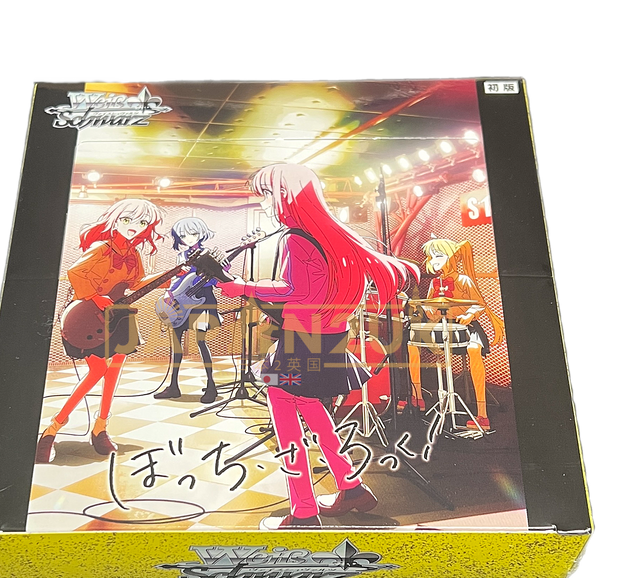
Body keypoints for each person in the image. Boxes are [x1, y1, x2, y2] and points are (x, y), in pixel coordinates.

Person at [216, 163, 418, 529]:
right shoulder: (331, 236)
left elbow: (297, 291)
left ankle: (304, 512)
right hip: (326, 336)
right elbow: (313, 293)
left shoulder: (297, 238)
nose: (264, 203)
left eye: (267, 195)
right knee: (313, 410)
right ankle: (351, 488)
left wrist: (242, 287)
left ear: (287, 196)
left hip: (301, 341)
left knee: (286, 424)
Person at [36, 199, 167, 463]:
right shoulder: (102, 248)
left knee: (114, 371)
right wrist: (95, 297)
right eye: (127, 220)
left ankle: (101, 427)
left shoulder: (133, 253)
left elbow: (136, 283)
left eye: (142, 222)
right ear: (116, 220)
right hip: (88, 316)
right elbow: (75, 272)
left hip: (119, 315)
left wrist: (170, 275)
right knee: (98, 370)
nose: (135, 226)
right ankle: (53, 428)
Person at [401, 236, 505, 430]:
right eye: (432, 257)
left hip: (466, 327)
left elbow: (479, 305)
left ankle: (482, 414)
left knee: (474, 349)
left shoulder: (464, 280)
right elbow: (430, 306)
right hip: (442, 326)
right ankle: (417, 397)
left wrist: (469, 314)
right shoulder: (434, 283)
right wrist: (429, 311)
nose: (434, 261)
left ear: (452, 257)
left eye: (438, 256)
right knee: (412, 344)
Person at [154, 217, 223, 404]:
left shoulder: (210, 254)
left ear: (201, 233)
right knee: (176, 344)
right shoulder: (182, 256)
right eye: (183, 235)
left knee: (201, 341)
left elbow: (218, 280)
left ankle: (211, 386)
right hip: (181, 300)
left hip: (203, 301)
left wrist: (214, 274)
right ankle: (173, 386)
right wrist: (170, 294)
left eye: (192, 233)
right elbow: (178, 280)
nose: (188, 238)